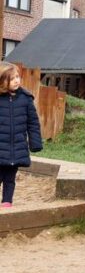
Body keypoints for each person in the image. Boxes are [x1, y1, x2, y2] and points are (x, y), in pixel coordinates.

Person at [0, 62, 43, 208]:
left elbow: (33, 123)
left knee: (10, 178)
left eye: (18, 77)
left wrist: (35, 143)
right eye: (12, 79)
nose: (17, 80)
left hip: (16, 148)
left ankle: (7, 202)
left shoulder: (25, 98)